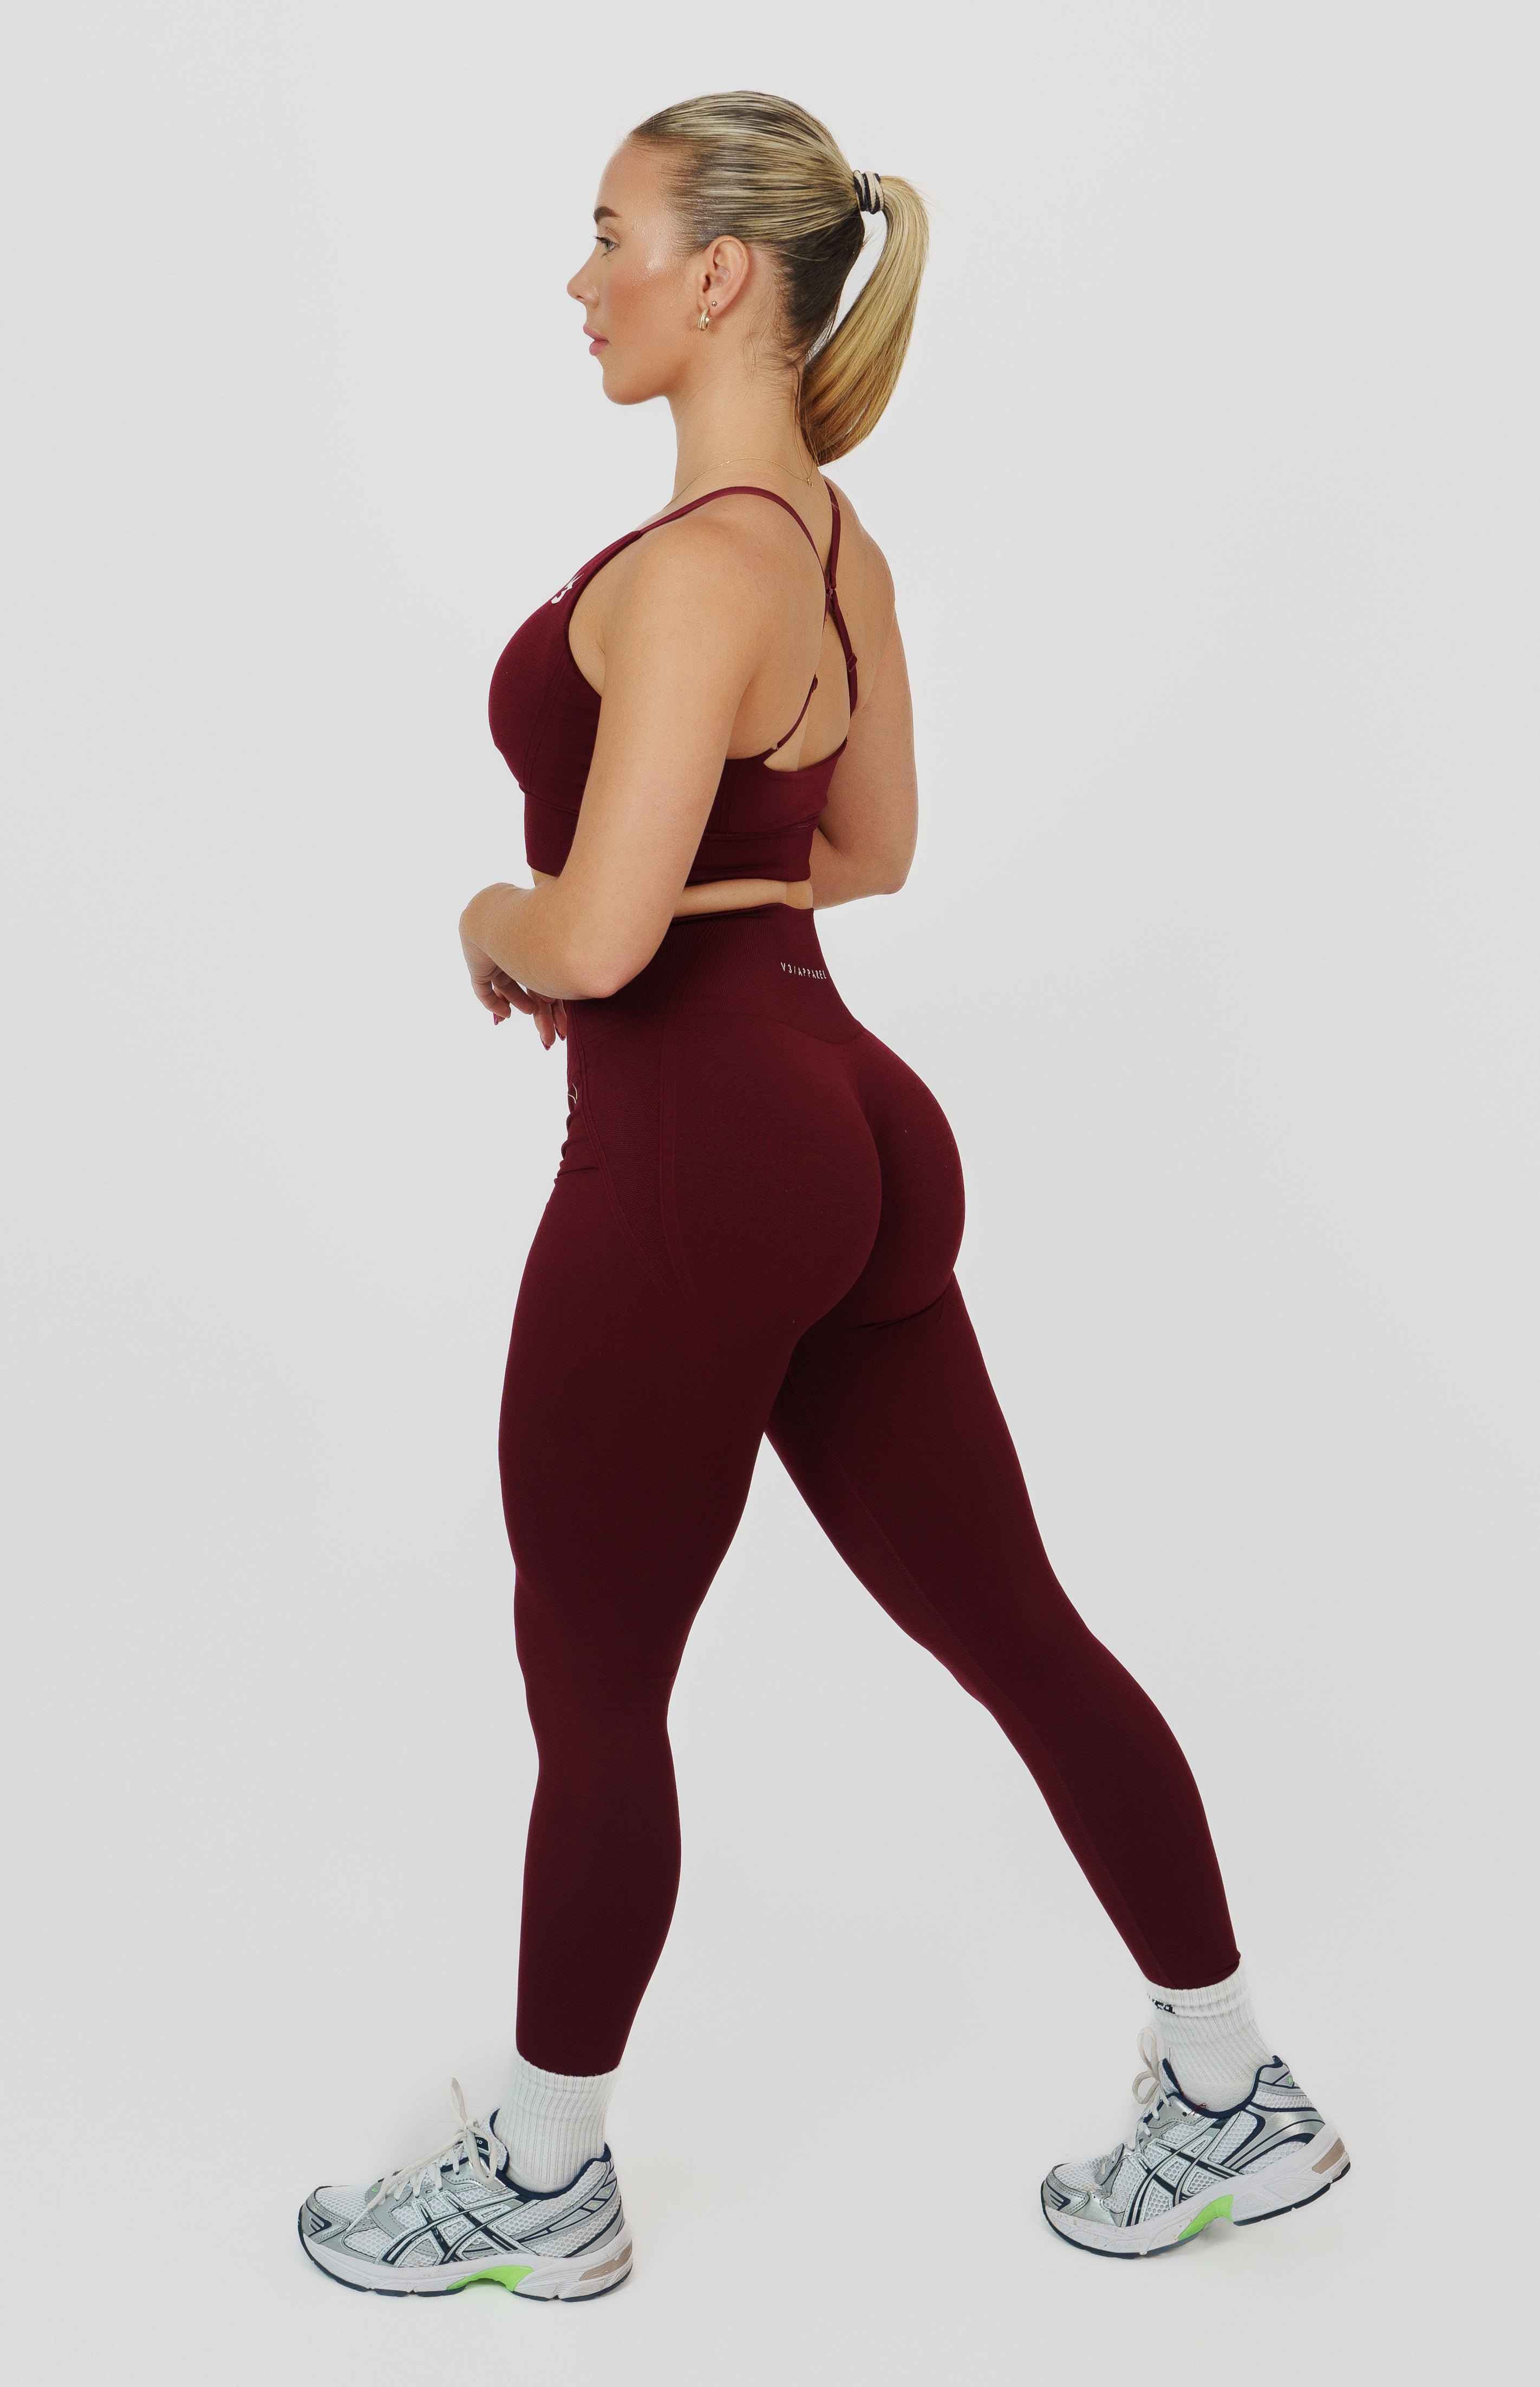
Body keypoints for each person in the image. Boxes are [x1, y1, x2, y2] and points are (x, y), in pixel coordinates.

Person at [298, 90, 1347, 2300]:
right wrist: (672, 898)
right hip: (853, 1118)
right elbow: (864, 853)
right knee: (1022, 1629)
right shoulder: (832, 550)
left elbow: (595, 941)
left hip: (698, 1152)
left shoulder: (695, 570)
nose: (579, 281)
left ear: (717, 277)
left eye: (609, 237)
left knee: (595, 1679)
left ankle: (544, 2180)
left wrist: (495, 916)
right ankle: (1233, 2083)